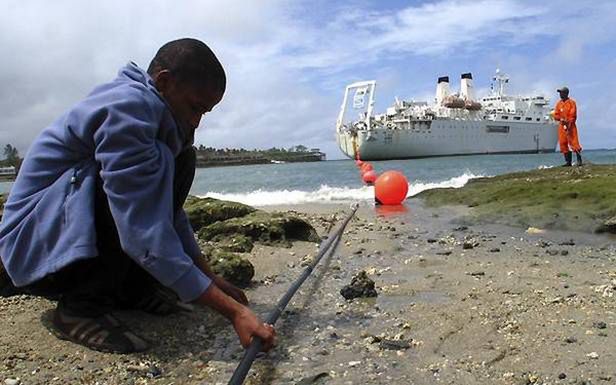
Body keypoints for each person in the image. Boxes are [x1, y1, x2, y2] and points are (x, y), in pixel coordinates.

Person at [0, 38, 276, 353]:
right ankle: (80, 307)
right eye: (195, 107)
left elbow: (168, 214)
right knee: (130, 187)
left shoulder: (162, 124)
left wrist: (211, 280)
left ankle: (130, 288)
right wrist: (234, 312)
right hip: (35, 252)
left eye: (206, 113)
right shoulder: (127, 110)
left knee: (182, 158)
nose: (198, 121)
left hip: (68, 241)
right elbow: (141, 229)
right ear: (164, 81)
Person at [553, 86, 582, 167]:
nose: (560, 94)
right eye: (560, 93)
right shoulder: (559, 104)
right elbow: (556, 115)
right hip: (562, 126)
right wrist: (560, 119)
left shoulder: (572, 103)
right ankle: (568, 162)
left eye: (561, 92)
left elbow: (573, 114)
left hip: (570, 126)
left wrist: (568, 122)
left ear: (566, 93)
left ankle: (579, 160)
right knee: (563, 143)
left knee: (574, 142)